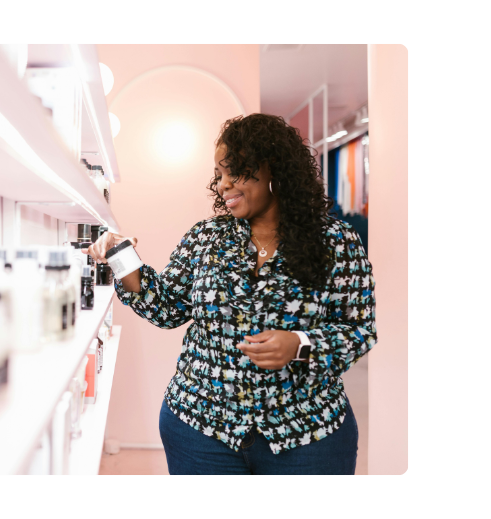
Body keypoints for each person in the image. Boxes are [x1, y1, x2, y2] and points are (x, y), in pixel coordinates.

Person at [87, 114, 376, 476]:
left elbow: (359, 330)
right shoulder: (206, 237)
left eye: (235, 172)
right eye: (219, 174)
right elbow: (166, 308)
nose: (224, 185)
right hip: (201, 430)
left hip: (308, 434)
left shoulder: (335, 240)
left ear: (274, 169)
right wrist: (119, 255)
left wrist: (299, 345)